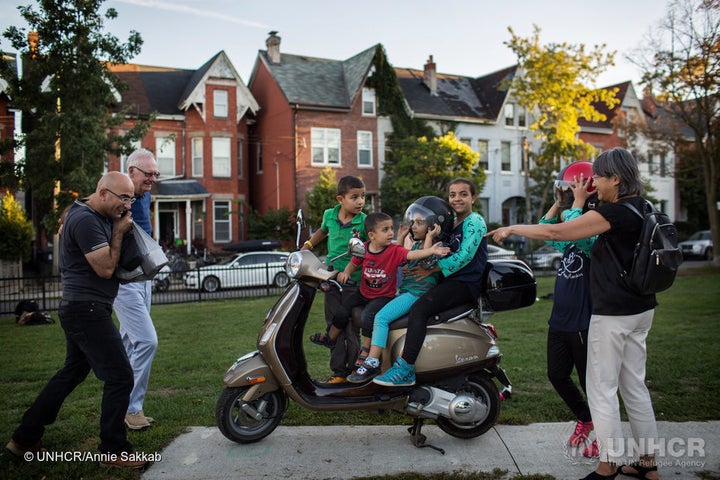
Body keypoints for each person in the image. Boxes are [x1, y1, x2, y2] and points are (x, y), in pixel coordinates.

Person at [487, 148, 661, 480]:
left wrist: (514, 229)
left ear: (615, 179)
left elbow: (557, 232)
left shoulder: (617, 212)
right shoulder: (644, 208)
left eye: (597, 177)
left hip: (613, 313)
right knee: (634, 387)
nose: (593, 182)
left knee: (602, 389)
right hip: (640, 310)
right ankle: (648, 465)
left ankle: (607, 466)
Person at [6, 172, 149, 469]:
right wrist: (120, 232)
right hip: (87, 310)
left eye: (130, 199)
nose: (126, 205)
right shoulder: (85, 220)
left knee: (72, 373)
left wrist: (118, 224)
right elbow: (106, 269)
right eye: (123, 198)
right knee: (121, 375)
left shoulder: (87, 213)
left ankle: (24, 437)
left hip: (83, 308)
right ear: (102, 192)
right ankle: (113, 448)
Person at [374, 178, 488, 387]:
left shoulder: (475, 221)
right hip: (450, 282)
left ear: (473, 197)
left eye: (463, 194)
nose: (457, 199)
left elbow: (465, 256)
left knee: (419, 309)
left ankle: (405, 368)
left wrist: (433, 269)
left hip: (465, 284)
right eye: (452, 195)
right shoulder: (454, 225)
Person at [309, 212, 450, 365]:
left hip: (383, 296)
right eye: (385, 230)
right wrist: (346, 272)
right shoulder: (363, 248)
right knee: (342, 311)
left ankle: (366, 349)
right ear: (372, 235)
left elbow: (413, 254)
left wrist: (431, 250)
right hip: (364, 292)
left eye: (391, 228)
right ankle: (330, 338)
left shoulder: (394, 250)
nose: (391, 233)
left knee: (369, 316)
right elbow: (354, 262)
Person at [347, 199, 449, 383]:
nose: (413, 226)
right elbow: (400, 254)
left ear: (434, 226)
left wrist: (429, 238)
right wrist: (402, 238)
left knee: (381, 317)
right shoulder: (418, 245)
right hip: (405, 292)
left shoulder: (436, 247)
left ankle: (371, 362)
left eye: (420, 223)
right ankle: (381, 360)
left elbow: (426, 260)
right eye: (413, 222)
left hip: (414, 294)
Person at [540, 162, 599, 457]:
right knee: (556, 375)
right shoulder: (570, 243)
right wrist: (558, 202)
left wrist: (578, 202)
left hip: (582, 323)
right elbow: (545, 230)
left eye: (573, 187)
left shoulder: (592, 239)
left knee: (592, 383)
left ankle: (602, 433)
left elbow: (577, 229)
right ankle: (586, 419)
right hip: (559, 321)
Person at [301, 176, 368, 383]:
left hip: (353, 281)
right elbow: (322, 231)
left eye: (363, 197)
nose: (360, 202)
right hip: (330, 279)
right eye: (354, 197)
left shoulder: (364, 220)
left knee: (350, 328)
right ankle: (338, 372)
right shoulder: (329, 215)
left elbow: (368, 246)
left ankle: (355, 370)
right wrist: (308, 246)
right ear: (341, 199)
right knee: (332, 325)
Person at [113, 148, 160, 430]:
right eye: (148, 173)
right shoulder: (119, 198)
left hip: (145, 279)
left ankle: (119, 405)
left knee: (129, 343)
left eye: (156, 173)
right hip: (125, 283)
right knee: (146, 341)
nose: (153, 178)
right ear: (131, 171)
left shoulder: (144, 197)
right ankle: (131, 408)